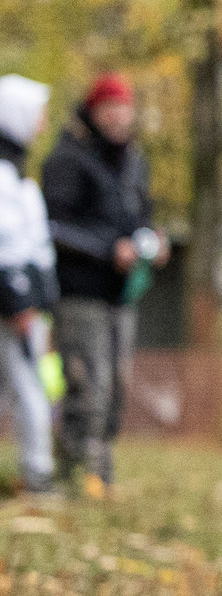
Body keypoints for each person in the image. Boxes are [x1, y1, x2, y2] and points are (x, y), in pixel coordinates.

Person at [42, 74, 165, 497]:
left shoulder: (134, 161)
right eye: (109, 107)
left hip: (121, 292)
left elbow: (140, 214)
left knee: (116, 385)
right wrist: (107, 250)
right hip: (79, 291)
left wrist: (153, 239)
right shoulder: (67, 159)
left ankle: (99, 473)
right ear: (93, 111)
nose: (118, 116)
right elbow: (53, 226)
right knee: (87, 384)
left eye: (124, 107)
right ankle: (75, 474)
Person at [0, 75, 58, 497]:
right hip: (13, 305)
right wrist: (19, 301)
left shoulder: (18, 173)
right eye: (38, 115)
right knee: (27, 385)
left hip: (27, 303)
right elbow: (7, 245)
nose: (43, 124)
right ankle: (37, 472)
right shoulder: (4, 176)